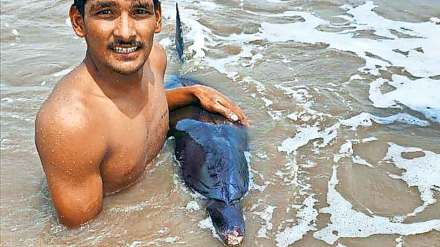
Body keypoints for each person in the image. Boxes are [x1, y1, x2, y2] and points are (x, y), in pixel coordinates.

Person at [35, 0, 248, 228]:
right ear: (79, 22)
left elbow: (142, 109)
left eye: (139, 11)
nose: (126, 33)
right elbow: (83, 237)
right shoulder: (71, 126)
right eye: (106, 12)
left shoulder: (155, 59)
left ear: (156, 18)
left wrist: (191, 94)